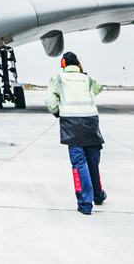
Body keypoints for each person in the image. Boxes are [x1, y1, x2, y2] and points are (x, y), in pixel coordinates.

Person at [46, 51, 106, 215]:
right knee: (93, 161)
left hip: (72, 123)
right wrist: (83, 73)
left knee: (79, 164)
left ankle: (85, 204)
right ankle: (98, 196)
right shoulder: (87, 78)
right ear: (78, 64)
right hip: (91, 122)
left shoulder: (57, 79)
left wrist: (58, 112)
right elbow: (99, 88)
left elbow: (50, 102)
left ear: (63, 64)